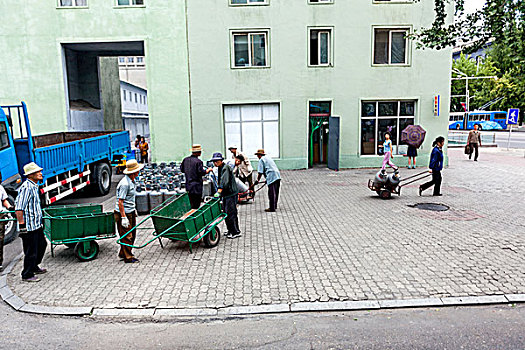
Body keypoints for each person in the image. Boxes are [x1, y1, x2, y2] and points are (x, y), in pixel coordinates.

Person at [14, 162, 47, 282]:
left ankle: (34, 266)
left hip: (36, 225)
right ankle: (27, 274)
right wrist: (22, 225)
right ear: (30, 175)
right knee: (30, 251)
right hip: (28, 227)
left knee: (42, 245)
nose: (40, 173)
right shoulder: (26, 188)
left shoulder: (34, 186)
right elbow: (19, 208)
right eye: (37, 172)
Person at [115, 159, 143, 263]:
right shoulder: (125, 184)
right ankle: (128, 257)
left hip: (130, 211)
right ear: (134, 172)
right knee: (127, 236)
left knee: (132, 234)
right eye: (138, 170)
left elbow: (129, 199)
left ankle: (123, 253)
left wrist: (133, 209)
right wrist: (123, 217)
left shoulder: (132, 181)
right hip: (124, 213)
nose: (139, 172)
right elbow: (120, 202)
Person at [209, 153, 241, 239]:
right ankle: (230, 230)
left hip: (230, 193)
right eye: (214, 161)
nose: (215, 163)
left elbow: (225, 181)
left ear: (221, 160)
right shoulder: (220, 168)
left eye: (217, 161)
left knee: (231, 213)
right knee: (226, 213)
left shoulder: (225, 168)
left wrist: (219, 190)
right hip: (226, 194)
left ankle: (235, 232)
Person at [181, 145, 208, 209]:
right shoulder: (198, 162)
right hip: (196, 186)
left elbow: (182, 170)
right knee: (196, 204)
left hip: (188, 185)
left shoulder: (185, 160)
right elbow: (201, 173)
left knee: (190, 203)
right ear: (198, 153)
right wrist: (207, 171)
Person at [0, 173, 15, 272]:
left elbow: (4, 199)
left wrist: (10, 207)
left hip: (0, 215)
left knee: (0, 240)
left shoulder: (0, 188)